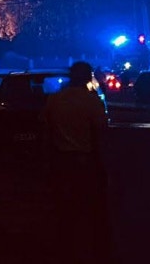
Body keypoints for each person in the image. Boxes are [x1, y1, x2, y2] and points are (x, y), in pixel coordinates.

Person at [40, 61, 113, 264]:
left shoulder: (54, 100)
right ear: (88, 77)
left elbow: (47, 133)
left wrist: (47, 162)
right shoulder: (92, 102)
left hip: (62, 161)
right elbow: (100, 135)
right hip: (86, 161)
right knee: (94, 210)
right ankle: (98, 251)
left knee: (65, 210)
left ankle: (65, 250)